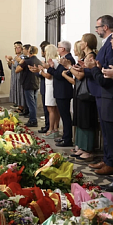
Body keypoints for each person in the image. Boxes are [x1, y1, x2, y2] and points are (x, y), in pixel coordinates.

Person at [61, 35, 98, 162]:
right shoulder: (86, 57)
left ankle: (88, 149)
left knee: (86, 120)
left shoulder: (91, 56)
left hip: (88, 93)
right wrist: (75, 68)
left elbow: (81, 76)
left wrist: (69, 67)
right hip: (81, 92)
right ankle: (82, 147)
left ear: (86, 43)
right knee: (81, 120)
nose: (80, 43)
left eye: (82, 41)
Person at [84, 15, 113, 173]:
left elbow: (106, 74)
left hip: (108, 93)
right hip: (104, 94)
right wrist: (94, 66)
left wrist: (94, 68)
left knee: (109, 131)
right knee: (106, 131)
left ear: (106, 27)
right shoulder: (107, 44)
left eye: (98, 27)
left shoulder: (110, 43)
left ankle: (110, 162)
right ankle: (107, 159)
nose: (96, 30)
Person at [45, 41, 75, 147]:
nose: (57, 49)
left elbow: (59, 75)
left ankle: (67, 139)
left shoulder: (68, 59)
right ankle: (65, 137)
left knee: (65, 116)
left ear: (63, 49)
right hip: (61, 91)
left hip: (63, 92)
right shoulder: (64, 59)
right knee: (64, 115)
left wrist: (51, 68)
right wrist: (54, 68)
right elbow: (58, 73)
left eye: (59, 47)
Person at [16, 46, 42, 127]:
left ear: (29, 52)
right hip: (36, 83)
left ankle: (33, 120)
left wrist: (20, 62)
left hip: (28, 84)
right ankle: (33, 119)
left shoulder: (26, 61)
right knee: (33, 103)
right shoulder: (38, 61)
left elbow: (17, 70)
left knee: (31, 104)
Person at [38, 44, 60, 138]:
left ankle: (51, 129)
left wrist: (41, 71)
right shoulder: (56, 61)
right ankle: (55, 129)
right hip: (51, 86)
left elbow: (48, 75)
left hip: (50, 86)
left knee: (51, 109)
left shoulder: (52, 62)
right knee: (55, 109)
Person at [6, 41, 25, 113]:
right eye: (15, 48)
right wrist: (9, 62)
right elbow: (12, 67)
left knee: (20, 90)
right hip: (14, 76)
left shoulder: (22, 57)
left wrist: (13, 62)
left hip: (19, 76)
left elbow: (20, 66)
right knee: (15, 90)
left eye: (18, 47)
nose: (17, 49)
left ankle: (21, 106)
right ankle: (18, 104)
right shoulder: (15, 57)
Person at [38, 41, 50, 133]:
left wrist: (40, 72)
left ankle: (49, 126)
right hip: (44, 85)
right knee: (46, 109)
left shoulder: (49, 61)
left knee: (48, 109)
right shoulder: (45, 61)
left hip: (48, 87)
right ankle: (47, 125)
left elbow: (48, 75)